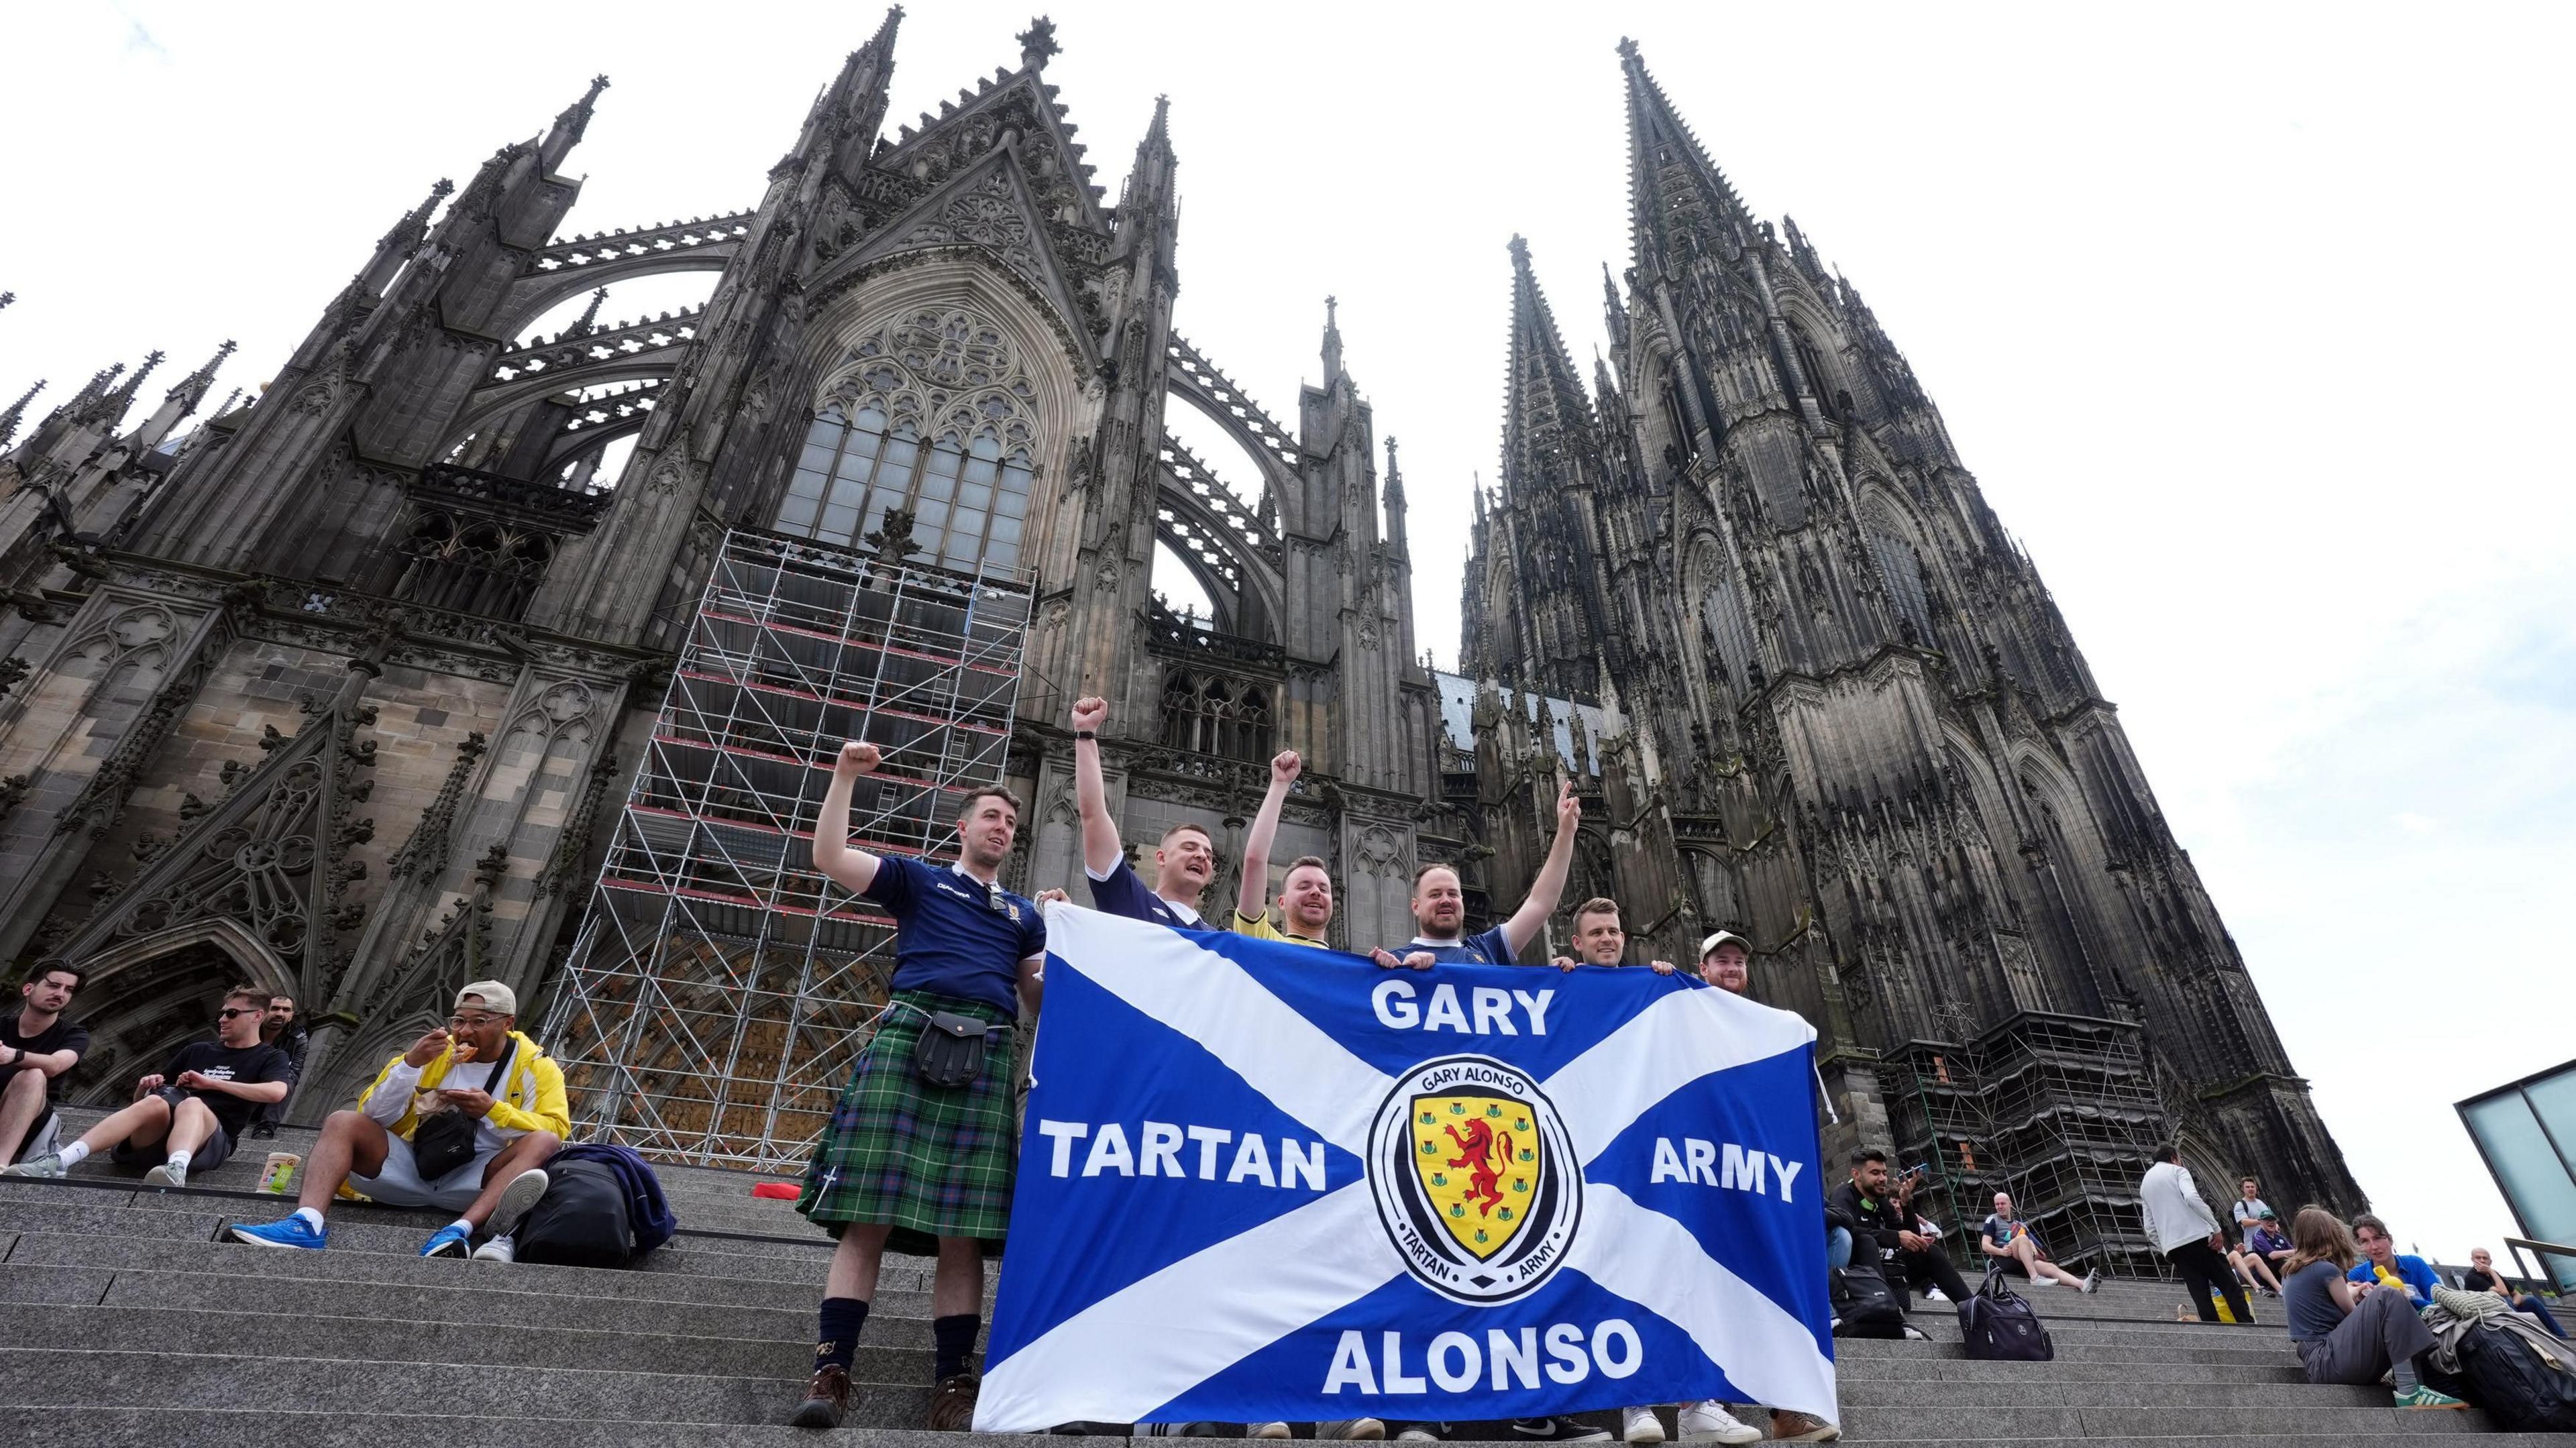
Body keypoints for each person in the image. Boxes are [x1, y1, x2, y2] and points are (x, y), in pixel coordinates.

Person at [786, 742, 1046, 1433]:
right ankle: (832, 1368)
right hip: (913, 1032)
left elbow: (1040, 998)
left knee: (964, 1232)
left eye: (1011, 824)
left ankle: (954, 1383)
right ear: (962, 826)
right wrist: (842, 775)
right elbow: (831, 858)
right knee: (867, 1216)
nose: (1002, 828)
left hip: (989, 1046)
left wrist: (1074, 939)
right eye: (991, 816)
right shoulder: (918, 881)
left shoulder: (1024, 915)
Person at [1626, 928, 1835, 1447]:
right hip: (1691, 1172)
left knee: (1761, 1284)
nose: (1733, 968)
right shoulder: (1680, 1010)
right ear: (1702, 969)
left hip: (1750, 1178)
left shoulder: (1770, 1029)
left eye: (1740, 961)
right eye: (1722, 960)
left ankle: (1786, 1411)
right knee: (1699, 1284)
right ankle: (1700, 1403)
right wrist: (1656, 983)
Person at [227, 981, 566, 1262]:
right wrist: (411, 1065)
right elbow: (373, 1116)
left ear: (507, 1023)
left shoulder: (536, 1065)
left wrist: (492, 1110)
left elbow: (556, 1129)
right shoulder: (436, 1051)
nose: (464, 1032)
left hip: (478, 1183)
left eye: (479, 1022)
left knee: (544, 1142)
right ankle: (307, 1224)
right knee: (343, 1120)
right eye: (459, 1021)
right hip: (414, 1168)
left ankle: (458, 1233)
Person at [6, 983, 287, 1188]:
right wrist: (145, 1087)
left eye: (233, 1014)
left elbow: (276, 1092)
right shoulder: (198, 1050)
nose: (223, 1019)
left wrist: (211, 1083)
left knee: (192, 1103)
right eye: (222, 1013)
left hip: (210, 1143)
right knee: (155, 1101)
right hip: (155, 1138)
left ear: (257, 1016)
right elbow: (146, 1101)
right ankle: (61, 1160)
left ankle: (177, 1166)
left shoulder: (271, 1056)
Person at [1371, 777, 1580, 971]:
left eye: (1453, 894)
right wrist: (1399, 976)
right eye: (1435, 894)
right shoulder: (1395, 962)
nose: (1446, 900)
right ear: (1415, 906)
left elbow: (1541, 903)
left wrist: (1565, 832)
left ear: (1462, 900)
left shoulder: (1489, 949)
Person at [2278, 1205, 2467, 1408]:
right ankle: (2410, 1390)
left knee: (2386, 1301)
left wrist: (2352, 1292)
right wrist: (2361, 1295)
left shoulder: (2291, 1272)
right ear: (2330, 1234)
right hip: (2327, 1359)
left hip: (2318, 1360)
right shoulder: (2326, 1269)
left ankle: (2417, 1388)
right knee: (2387, 1295)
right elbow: (2352, 1313)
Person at [1071, 695, 1220, 931]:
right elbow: (1093, 816)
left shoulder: (1219, 940)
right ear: (1161, 858)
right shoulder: (1132, 901)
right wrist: (1086, 733)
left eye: (1209, 855)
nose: (1202, 856)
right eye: (1189, 848)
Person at [1831, 1148, 1970, 1313]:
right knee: (1866, 1241)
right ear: (1857, 1174)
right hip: (1857, 1275)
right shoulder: (1843, 1195)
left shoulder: (1881, 1200)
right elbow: (1849, 1233)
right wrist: (1895, 1237)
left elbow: (1912, 1239)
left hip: (1886, 1273)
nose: (1882, 1178)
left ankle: (1976, 1310)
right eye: (1875, 1173)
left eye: (1884, 1173)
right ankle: (1888, 1310)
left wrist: (1906, 1203)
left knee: (1929, 1251)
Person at [2139, 1143, 2249, 1325]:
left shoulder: (2145, 1185)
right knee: (2231, 1287)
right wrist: (2216, 1229)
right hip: (2201, 1240)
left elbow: (2149, 1229)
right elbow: (2191, 1198)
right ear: (2174, 1158)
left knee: (2201, 1295)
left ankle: (2214, 1332)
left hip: (2175, 1249)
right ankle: (2248, 1328)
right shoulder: (2178, 1171)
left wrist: (2166, 1248)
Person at [1234, 748, 1334, 948]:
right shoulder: (1263, 941)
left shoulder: (1351, 968)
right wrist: (1280, 784)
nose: (1316, 892)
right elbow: (1255, 859)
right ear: (1281, 902)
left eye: (1324, 889)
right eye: (1304, 886)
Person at [0, 964, 87, 1168]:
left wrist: (14, 1055)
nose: (60, 994)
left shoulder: (74, 1034)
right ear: (28, 989)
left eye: (68, 990)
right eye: (54, 986)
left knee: (33, 1075)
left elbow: (56, 1065)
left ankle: (1, 1163)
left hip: (32, 1121)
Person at [1980, 1192, 2098, 1293]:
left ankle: (2082, 1285)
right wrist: (2001, 1252)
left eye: (2003, 1203)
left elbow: (2034, 1245)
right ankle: (2035, 1278)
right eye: (1997, 1204)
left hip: (2021, 1263)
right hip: (2001, 1260)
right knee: (2022, 1239)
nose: (2000, 1206)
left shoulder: (2021, 1226)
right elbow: (1985, 1245)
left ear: (2010, 1204)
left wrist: (2033, 1250)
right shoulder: (1992, 1220)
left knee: (2050, 1267)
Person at [1547, 898, 1676, 975]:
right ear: (1577, 943)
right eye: (1596, 933)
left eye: (1613, 931)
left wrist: (1671, 984)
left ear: (1622, 938)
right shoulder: (1562, 987)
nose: (1607, 939)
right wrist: (1552, 980)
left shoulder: (1650, 986)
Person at [2463, 1247, 2569, 1339]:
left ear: (2490, 1261)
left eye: (2485, 1258)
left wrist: (2514, 1305)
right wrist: (2491, 1271)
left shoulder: (2494, 1274)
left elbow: (2517, 1294)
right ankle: (2533, 1337)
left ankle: (2562, 1336)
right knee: (2503, 1300)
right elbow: (2503, 1293)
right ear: (2472, 1260)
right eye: (2478, 1258)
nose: (2482, 1261)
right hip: (2489, 1315)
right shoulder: (2472, 1277)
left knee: (2531, 1301)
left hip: (2508, 1311)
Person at [249, 992, 309, 1139]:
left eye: (286, 1010)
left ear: (291, 1015)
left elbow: (295, 1072)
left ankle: (265, 1129)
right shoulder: (247, 1028)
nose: (280, 1014)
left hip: (272, 1087)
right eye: (275, 1008)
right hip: (243, 1082)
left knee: (287, 1081)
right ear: (262, 1011)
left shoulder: (298, 1039)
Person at [2231, 1176, 2271, 1245]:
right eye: (2248, 1187)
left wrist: (2276, 1225)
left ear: (2256, 1188)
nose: (2251, 1189)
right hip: (2254, 1244)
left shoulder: (2262, 1203)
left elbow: (2271, 1217)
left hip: (2270, 1240)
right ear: (2242, 1189)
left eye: (2252, 1187)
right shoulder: (2241, 1205)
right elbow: (2245, 1222)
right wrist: (2261, 1221)